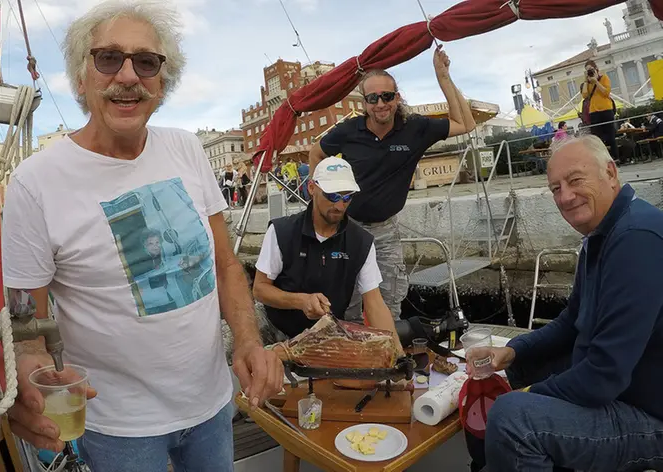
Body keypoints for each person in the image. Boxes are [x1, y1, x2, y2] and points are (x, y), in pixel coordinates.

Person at [0, 2, 284, 470]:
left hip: (213, 403)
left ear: (161, 82)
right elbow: (27, 323)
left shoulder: (186, 148)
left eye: (146, 61)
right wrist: (27, 363)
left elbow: (226, 265)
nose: (128, 75)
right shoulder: (36, 182)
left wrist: (250, 341)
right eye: (108, 58)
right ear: (81, 77)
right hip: (119, 428)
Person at [468, 134, 663, 472]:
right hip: (622, 390)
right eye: (556, 188)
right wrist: (513, 351)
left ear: (611, 173)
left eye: (575, 181)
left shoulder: (636, 239)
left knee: (512, 418)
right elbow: (572, 320)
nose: (565, 197)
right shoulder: (603, 233)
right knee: (513, 370)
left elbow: (603, 375)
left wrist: (528, 394)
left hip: (648, 416)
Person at [308, 45, 476, 320]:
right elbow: (316, 151)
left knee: (389, 306)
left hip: (386, 232)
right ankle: (350, 358)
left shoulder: (415, 128)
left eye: (387, 96)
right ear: (364, 103)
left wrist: (443, 76)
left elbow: (465, 123)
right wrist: (318, 197)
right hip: (348, 230)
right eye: (372, 98)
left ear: (397, 98)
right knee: (344, 305)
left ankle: (385, 358)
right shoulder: (350, 131)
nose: (380, 103)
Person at [251, 156, 402, 351]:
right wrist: (301, 301)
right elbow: (260, 289)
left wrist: (397, 353)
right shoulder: (282, 231)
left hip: (325, 336)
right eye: (332, 196)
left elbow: (374, 303)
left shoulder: (361, 241)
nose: (340, 206)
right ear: (312, 188)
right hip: (277, 329)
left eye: (347, 197)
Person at [581, 59, 618, 162]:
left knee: (611, 136)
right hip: (594, 111)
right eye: (587, 70)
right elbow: (584, 95)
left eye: (591, 70)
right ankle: (601, 159)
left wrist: (596, 81)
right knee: (597, 138)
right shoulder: (588, 83)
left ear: (596, 69)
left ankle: (615, 158)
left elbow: (606, 92)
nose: (590, 72)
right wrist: (586, 80)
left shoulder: (604, 78)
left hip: (606, 109)